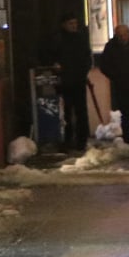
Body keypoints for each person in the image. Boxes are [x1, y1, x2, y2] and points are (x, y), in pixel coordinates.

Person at [48, 14, 94, 153]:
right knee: (66, 112)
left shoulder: (80, 39)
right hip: (64, 81)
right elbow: (50, 55)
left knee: (81, 111)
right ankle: (67, 140)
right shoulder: (58, 40)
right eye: (70, 23)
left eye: (75, 23)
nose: (73, 26)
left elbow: (87, 57)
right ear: (64, 24)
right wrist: (55, 66)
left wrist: (83, 72)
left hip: (78, 79)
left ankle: (82, 140)